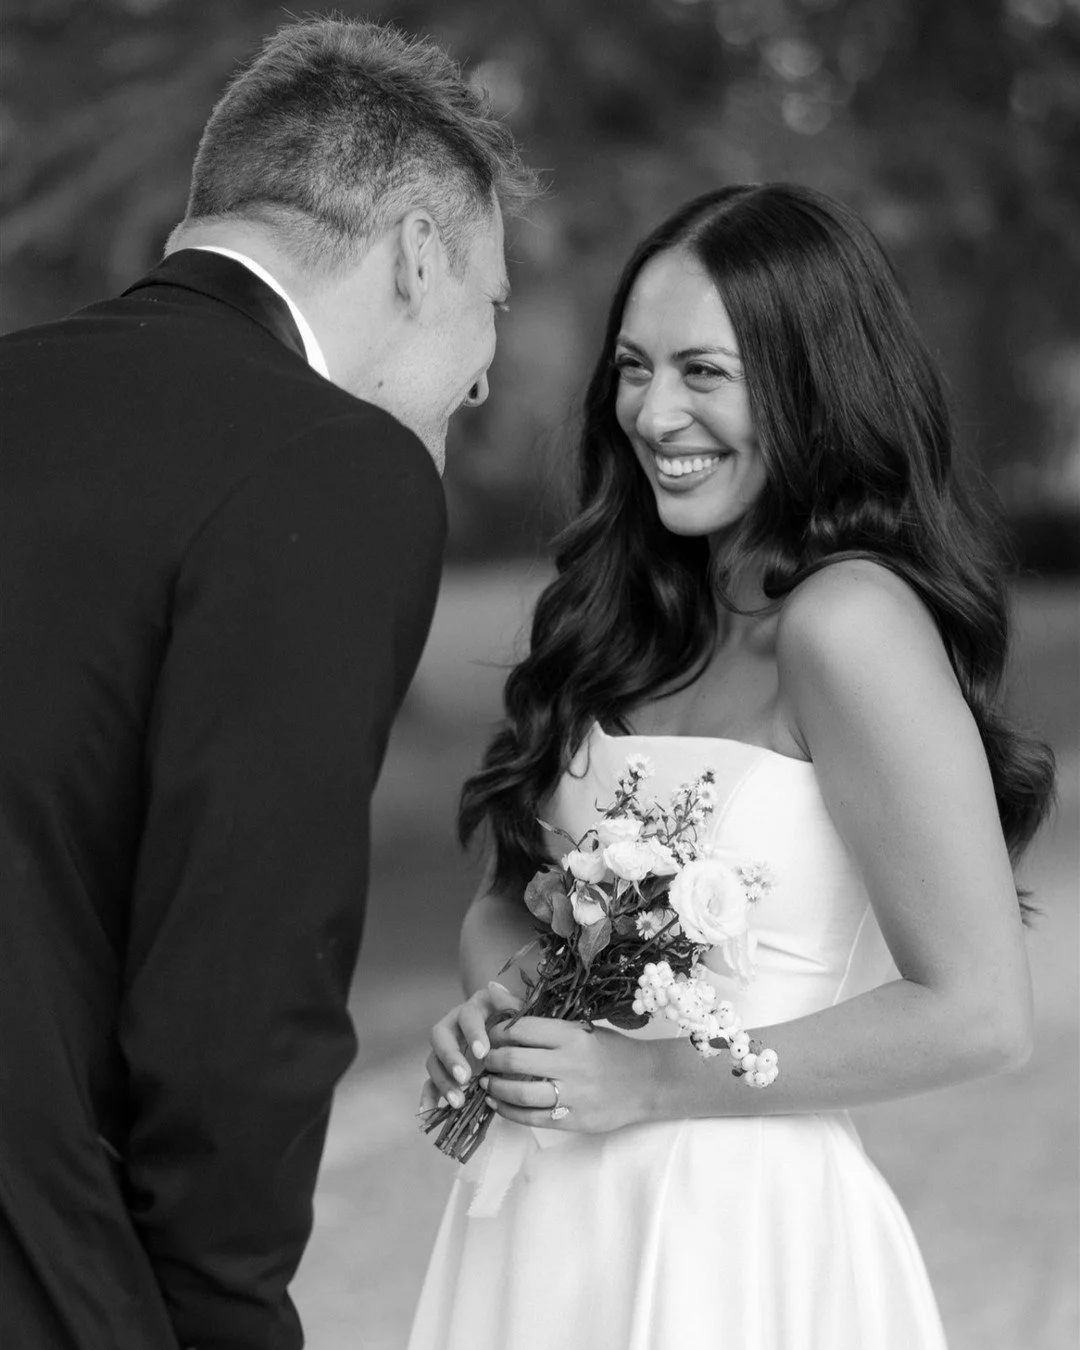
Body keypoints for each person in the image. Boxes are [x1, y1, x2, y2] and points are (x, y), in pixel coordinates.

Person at [411, 183, 1055, 1349]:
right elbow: (507, 899)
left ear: (812, 383)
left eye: (704, 372)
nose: (655, 413)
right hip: (538, 1219)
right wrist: (505, 1001)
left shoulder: (847, 624)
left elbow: (980, 1012)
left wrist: (649, 1084)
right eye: (633, 368)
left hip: (733, 1239)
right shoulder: (623, 613)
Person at [0, 17, 535, 1350]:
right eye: (494, 303)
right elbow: (238, 988)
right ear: (418, 254)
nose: (484, 366)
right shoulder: (333, 469)